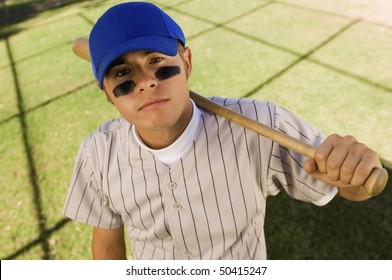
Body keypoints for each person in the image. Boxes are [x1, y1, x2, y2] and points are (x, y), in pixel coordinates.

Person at [62, 1, 383, 260]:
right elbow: (106, 242)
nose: (146, 81)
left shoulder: (262, 124)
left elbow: (346, 186)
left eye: (157, 60)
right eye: (123, 72)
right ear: (105, 92)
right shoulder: (98, 153)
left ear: (186, 62)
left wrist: (355, 171)